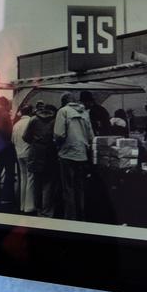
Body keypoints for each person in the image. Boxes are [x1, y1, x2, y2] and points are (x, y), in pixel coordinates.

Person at [53, 92, 94, 221]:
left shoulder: (63, 111)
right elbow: (91, 136)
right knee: (80, 187)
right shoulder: (85, 112)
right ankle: (81, 215)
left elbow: (59, 134)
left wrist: (59, 146)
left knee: (68, 188)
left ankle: (70, 218)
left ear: (63, 102)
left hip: (67, 154)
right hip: (82, 155)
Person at [23, 102, 59, 217]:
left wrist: (35, 143)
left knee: (37, 183)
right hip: (50, 154)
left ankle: (38, 209)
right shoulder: (55, 121)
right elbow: (57, 137)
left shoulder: (33, 120)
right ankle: (47, 211)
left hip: (35, 154)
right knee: (48, 184)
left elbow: (25, 136)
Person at [0, 96, 16, 210]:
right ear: (5, 104)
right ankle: (6, 198)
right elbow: (10, 132)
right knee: (9, 173)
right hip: (5, 148)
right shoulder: (5, 114)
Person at [12, 105, 35, 214]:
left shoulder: (16, 124)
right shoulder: (31, 121)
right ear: (30, 112)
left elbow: (13, 140)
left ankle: (21, 206)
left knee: (23, 179)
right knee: (30, 178)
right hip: (29, 153)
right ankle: (29, 206)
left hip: (19, 154)